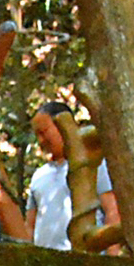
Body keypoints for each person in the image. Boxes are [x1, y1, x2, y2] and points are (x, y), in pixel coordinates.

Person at [24, 103, 116, 249]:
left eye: (44, 132)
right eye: (37, 135)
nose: (41, 140)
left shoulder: (94, 164)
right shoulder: (39, 176)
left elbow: (112, 210)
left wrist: (112, 255)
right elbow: (30, 225)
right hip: (44, 262)